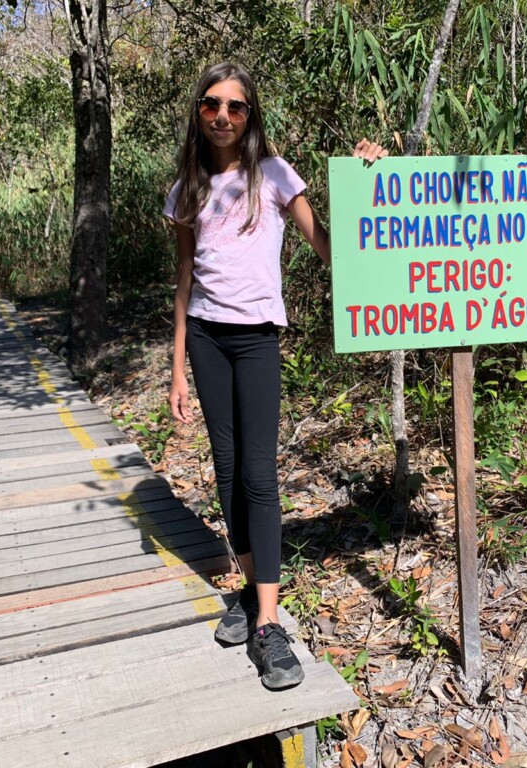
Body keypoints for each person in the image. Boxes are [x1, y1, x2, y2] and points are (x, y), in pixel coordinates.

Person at [164, 61, 386, 690]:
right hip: (205, 338)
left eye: (235, 106)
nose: (223, 117)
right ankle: (252, 586)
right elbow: (184, 281)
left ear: (250, 114)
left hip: (258, 339)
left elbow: (329, 246)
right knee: (228, 470)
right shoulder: (187, 187)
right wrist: (176, 368)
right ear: (198, 112)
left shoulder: (273, 175)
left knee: (260, 476)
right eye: (212, 105)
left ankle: (267, 621)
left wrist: (369, 181)